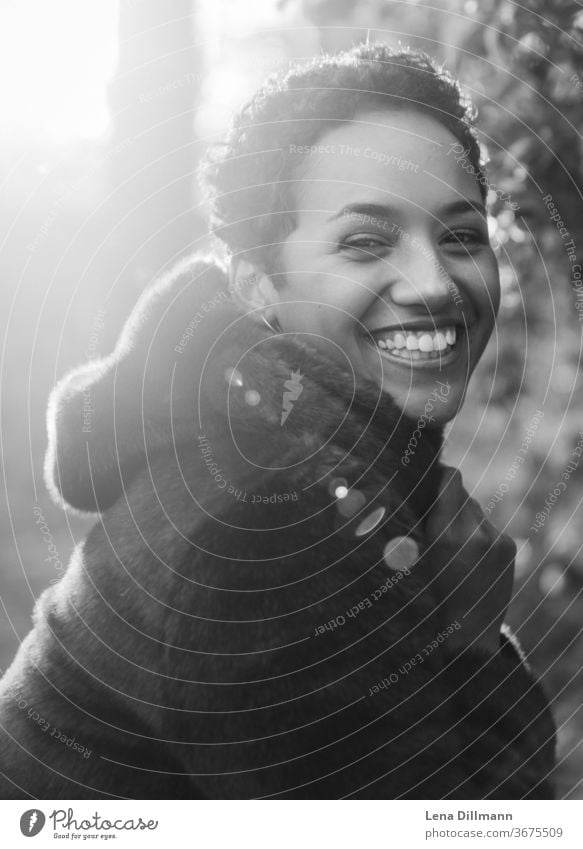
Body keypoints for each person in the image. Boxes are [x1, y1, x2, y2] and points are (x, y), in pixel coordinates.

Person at [0, 43, 556, 799]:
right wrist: (466, 646)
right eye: (365, 240)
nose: (433, 283)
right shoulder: (267, 518)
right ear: (259, 283)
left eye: (459, 235)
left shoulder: (287, 442)